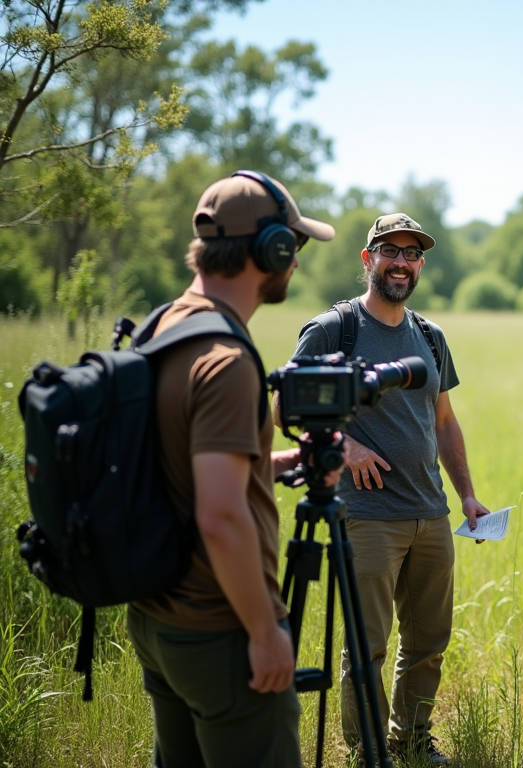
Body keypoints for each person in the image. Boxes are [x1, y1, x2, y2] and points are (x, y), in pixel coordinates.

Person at [127, 171, 335, 768]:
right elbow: (219, 516)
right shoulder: (225, 361)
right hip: (219, 629)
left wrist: (275, 464)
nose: (295, 261)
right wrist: (265, 632)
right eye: (291, 245)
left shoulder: (164, 325)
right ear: (269, 249)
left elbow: (184, 465)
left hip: (157, 617)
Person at [290, 212, 489, 766]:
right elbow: (289, 403)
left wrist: (467, 494)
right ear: (367, 259)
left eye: (411, 253)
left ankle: (412, 739)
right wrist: (346, 448)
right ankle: (370, 751)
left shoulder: (430, 335)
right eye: (390, 251)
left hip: (430, 511)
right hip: (368, 516)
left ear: (420, 264)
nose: (401, 262)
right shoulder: (334, 330)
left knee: (427, 643)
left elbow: (444, 422)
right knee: (366, 648)